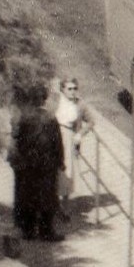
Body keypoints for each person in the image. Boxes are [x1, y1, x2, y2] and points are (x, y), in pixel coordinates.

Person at [9, 80, 64, 241]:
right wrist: (61, 161)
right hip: (47, 165)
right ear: (44, 99)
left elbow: (18, 140)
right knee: (47, 197)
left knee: (30, 195)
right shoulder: (50, 118)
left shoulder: (25, 118)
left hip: (29, 164)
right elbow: (57, 142)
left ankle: (28, 230)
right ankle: (46, 231)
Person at [52, 78, 86, 219]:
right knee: (53, 170)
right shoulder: (55, 102)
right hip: (53, 136)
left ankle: (64, 209)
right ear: (62, 89)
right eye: (69, 89)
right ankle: (52, 206)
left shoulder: (79, 104)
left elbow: (91, 121)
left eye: (74, 88)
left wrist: (80, 134)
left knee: (67, 171)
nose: (72, 92)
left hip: (68, 137)